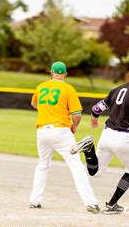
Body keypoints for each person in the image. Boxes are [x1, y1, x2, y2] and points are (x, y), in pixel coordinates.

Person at [70, 59, 129, 214]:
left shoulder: (118, 89)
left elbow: (96, 108)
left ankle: (88, 150)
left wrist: (94, 121)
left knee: (96, 172)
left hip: (106, 134)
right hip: (124, 137)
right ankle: (112, 205)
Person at [29, 61, 100, 214]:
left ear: (51, 73)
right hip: (61, 131)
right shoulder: (68, 88)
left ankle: (34, 200)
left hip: (42, 131)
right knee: (76, 166)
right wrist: (74, 127)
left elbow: (34, 104)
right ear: (65, 74)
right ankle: (90, 203)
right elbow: (77, 115)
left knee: (42, 165)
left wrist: (47, 110)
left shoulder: (41, 87)